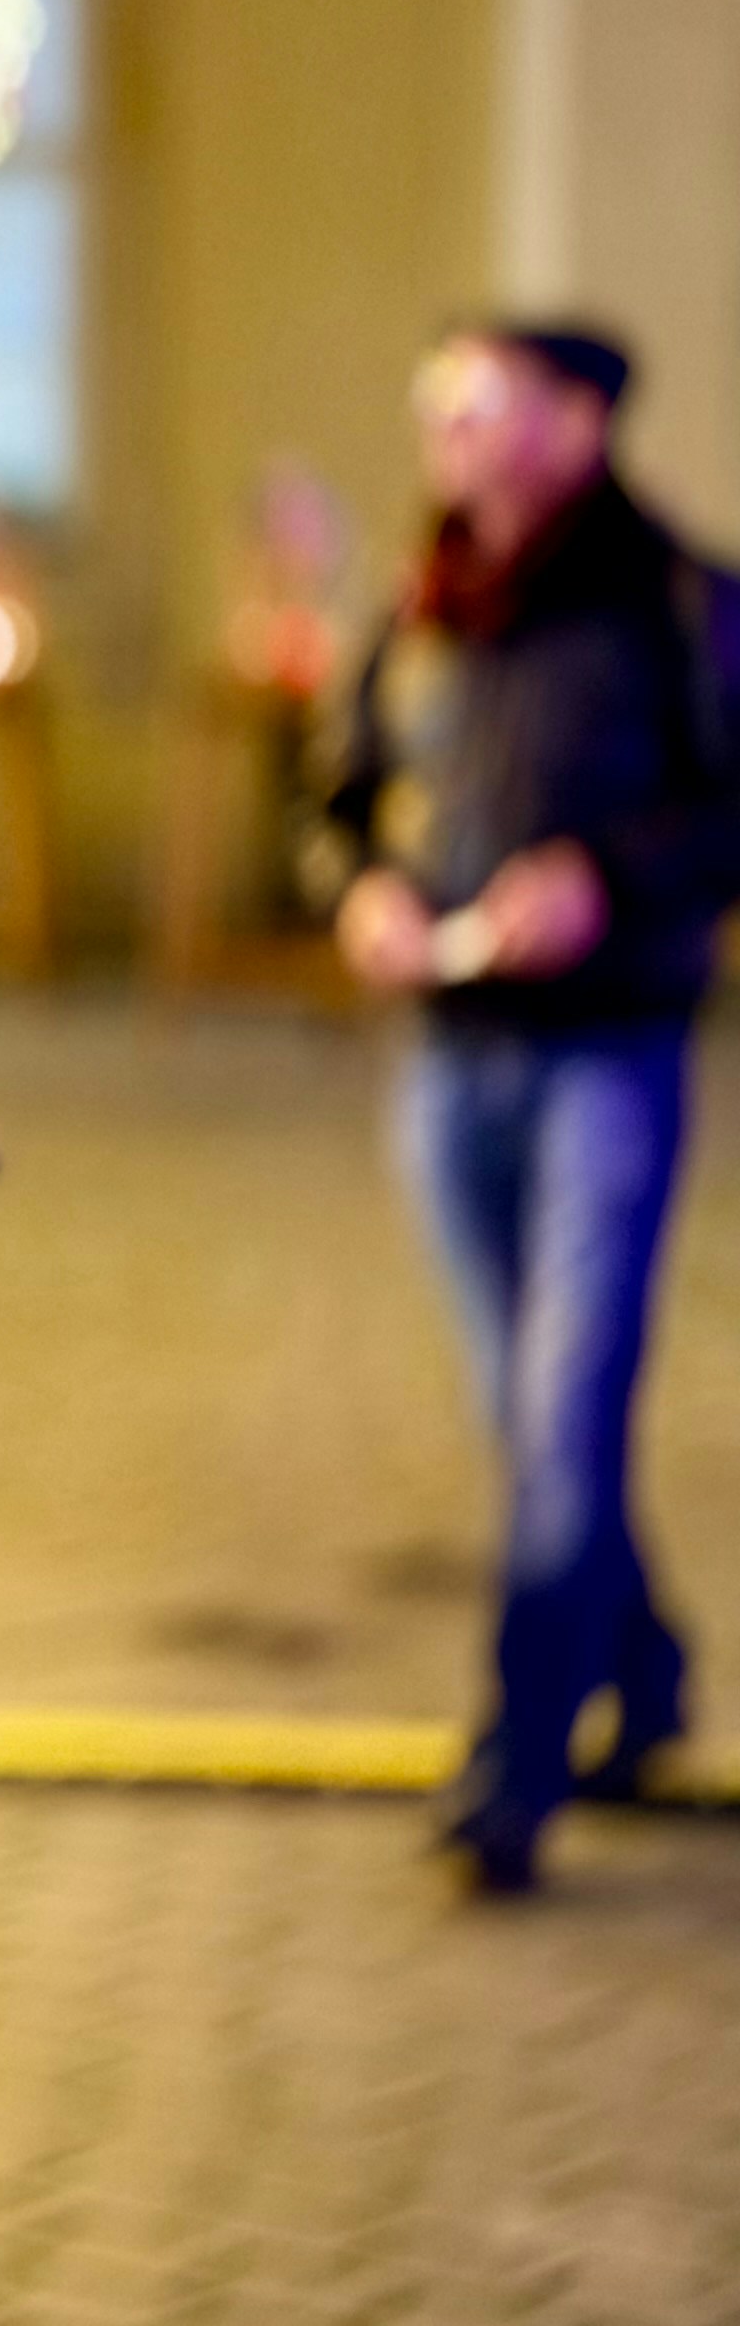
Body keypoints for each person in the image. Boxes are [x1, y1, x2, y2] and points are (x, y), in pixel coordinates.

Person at [321, 316, 740, 1892]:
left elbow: (726, 811)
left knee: (567, 1413)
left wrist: (606, 881)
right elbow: (340, 797)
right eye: (440, 404)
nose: (450, 433)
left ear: (580, 419)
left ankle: (516, 1762)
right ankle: (649, 1672)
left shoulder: (681, 607)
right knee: (522, 1410)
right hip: (449, 1067)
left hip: (606, 1060)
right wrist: (357, 888)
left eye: (482, 405)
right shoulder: (423, 608)